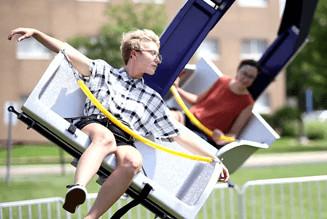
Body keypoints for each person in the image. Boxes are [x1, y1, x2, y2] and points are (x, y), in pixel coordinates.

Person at [8, 27, 229, 219]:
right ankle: (78, 188)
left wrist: (214, 159)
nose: (157, 60)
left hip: (124, 137)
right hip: (97, 123)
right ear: (134, 54)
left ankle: (91, 217)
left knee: (134, 160)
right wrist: (37, 34)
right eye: (153, 54)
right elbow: (67, 51)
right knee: (105, 138)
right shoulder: (104, 72)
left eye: (158, 55)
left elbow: (180, 135)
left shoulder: (152, 99)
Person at [170, 59, 261, 148]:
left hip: (203, 135)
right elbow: (196, 100)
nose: (246, 79)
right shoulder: (222, 80)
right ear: (238, 70)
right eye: (244, 73)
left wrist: (222, 138)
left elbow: (233, 134)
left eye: (251, 77)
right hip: (187, 118)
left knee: (185, 140)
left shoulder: (248, 103)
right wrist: (177, 89)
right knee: (169, 116)